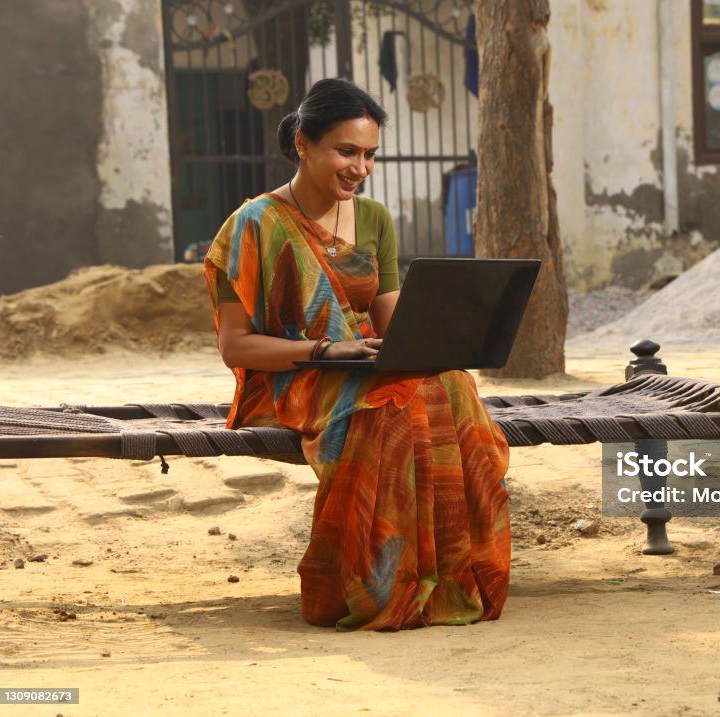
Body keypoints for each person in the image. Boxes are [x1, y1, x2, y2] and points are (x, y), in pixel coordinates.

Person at [203, 78, 511, 631]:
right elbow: (235, 347)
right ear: (303, 143)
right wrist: (327, 347)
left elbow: (395, 330)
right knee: (388, 402)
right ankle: (373, 580)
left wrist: (445, 339)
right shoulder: (253, 225)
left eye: (369, 155)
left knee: (450, 386)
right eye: (347, 151)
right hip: (288, 378)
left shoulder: (374, 220)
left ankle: (443, 575)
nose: (360, 167)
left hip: (362, 368)